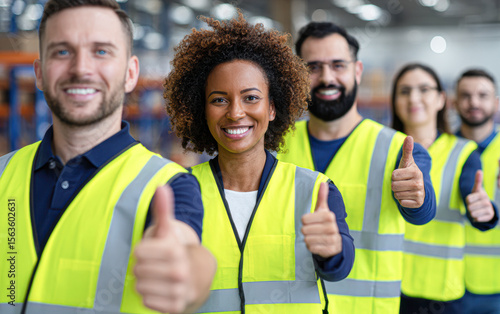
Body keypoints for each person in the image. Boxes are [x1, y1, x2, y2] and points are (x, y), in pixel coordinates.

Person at [0, 1, 215, 313]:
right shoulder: (3, 174)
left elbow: (187, 253)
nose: (81, 68)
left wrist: (187, 273)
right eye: (62, 51)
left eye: (101, 51)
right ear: (40, 74)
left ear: (130, 74)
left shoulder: (166, 186)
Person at [163, 12, 355, 313]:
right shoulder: (180, 191)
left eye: (251, 97)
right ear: (202, 110)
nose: (236, 112)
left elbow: (338, 269)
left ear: (273, 108)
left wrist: (332, 251)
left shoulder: (315, 190)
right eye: (219, 100)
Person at [277, 22, 437, 313]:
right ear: (297, 75)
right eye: (313, 67)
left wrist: (417, 196)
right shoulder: (273, 147)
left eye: (338, 65)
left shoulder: (398, 150)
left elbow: (422, 211)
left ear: (357, 71)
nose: (327, 78)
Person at [391, 63, 498, 314]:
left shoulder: (463, 152)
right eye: (404, 91)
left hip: (439, 292)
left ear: (441, 99)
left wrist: (484, 212)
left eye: (423, 89)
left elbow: (472, 195)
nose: (414, 98)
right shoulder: (376, 146)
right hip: (382, 281)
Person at [454, 69, 500, 314]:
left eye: (482, 95)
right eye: (466, 95)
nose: (473, 102)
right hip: (447, 284)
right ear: (453, 102)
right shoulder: (441, 149)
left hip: (496, 286)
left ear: (495, 103)